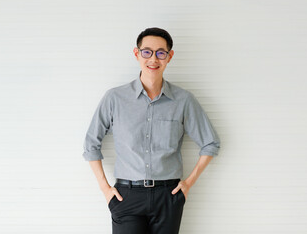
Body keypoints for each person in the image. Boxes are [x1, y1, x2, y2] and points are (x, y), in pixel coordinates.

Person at [82, 27, 220, 234]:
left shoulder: (183, 100)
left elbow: (211, 143)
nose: (153, 59)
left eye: (160, 53)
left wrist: (188, 184)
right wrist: (105, 188)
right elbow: (91, 144)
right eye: (147, 51)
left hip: (168, 195)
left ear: (169, 56)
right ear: (137, 54)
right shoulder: (115, 98)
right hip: (126, 196)